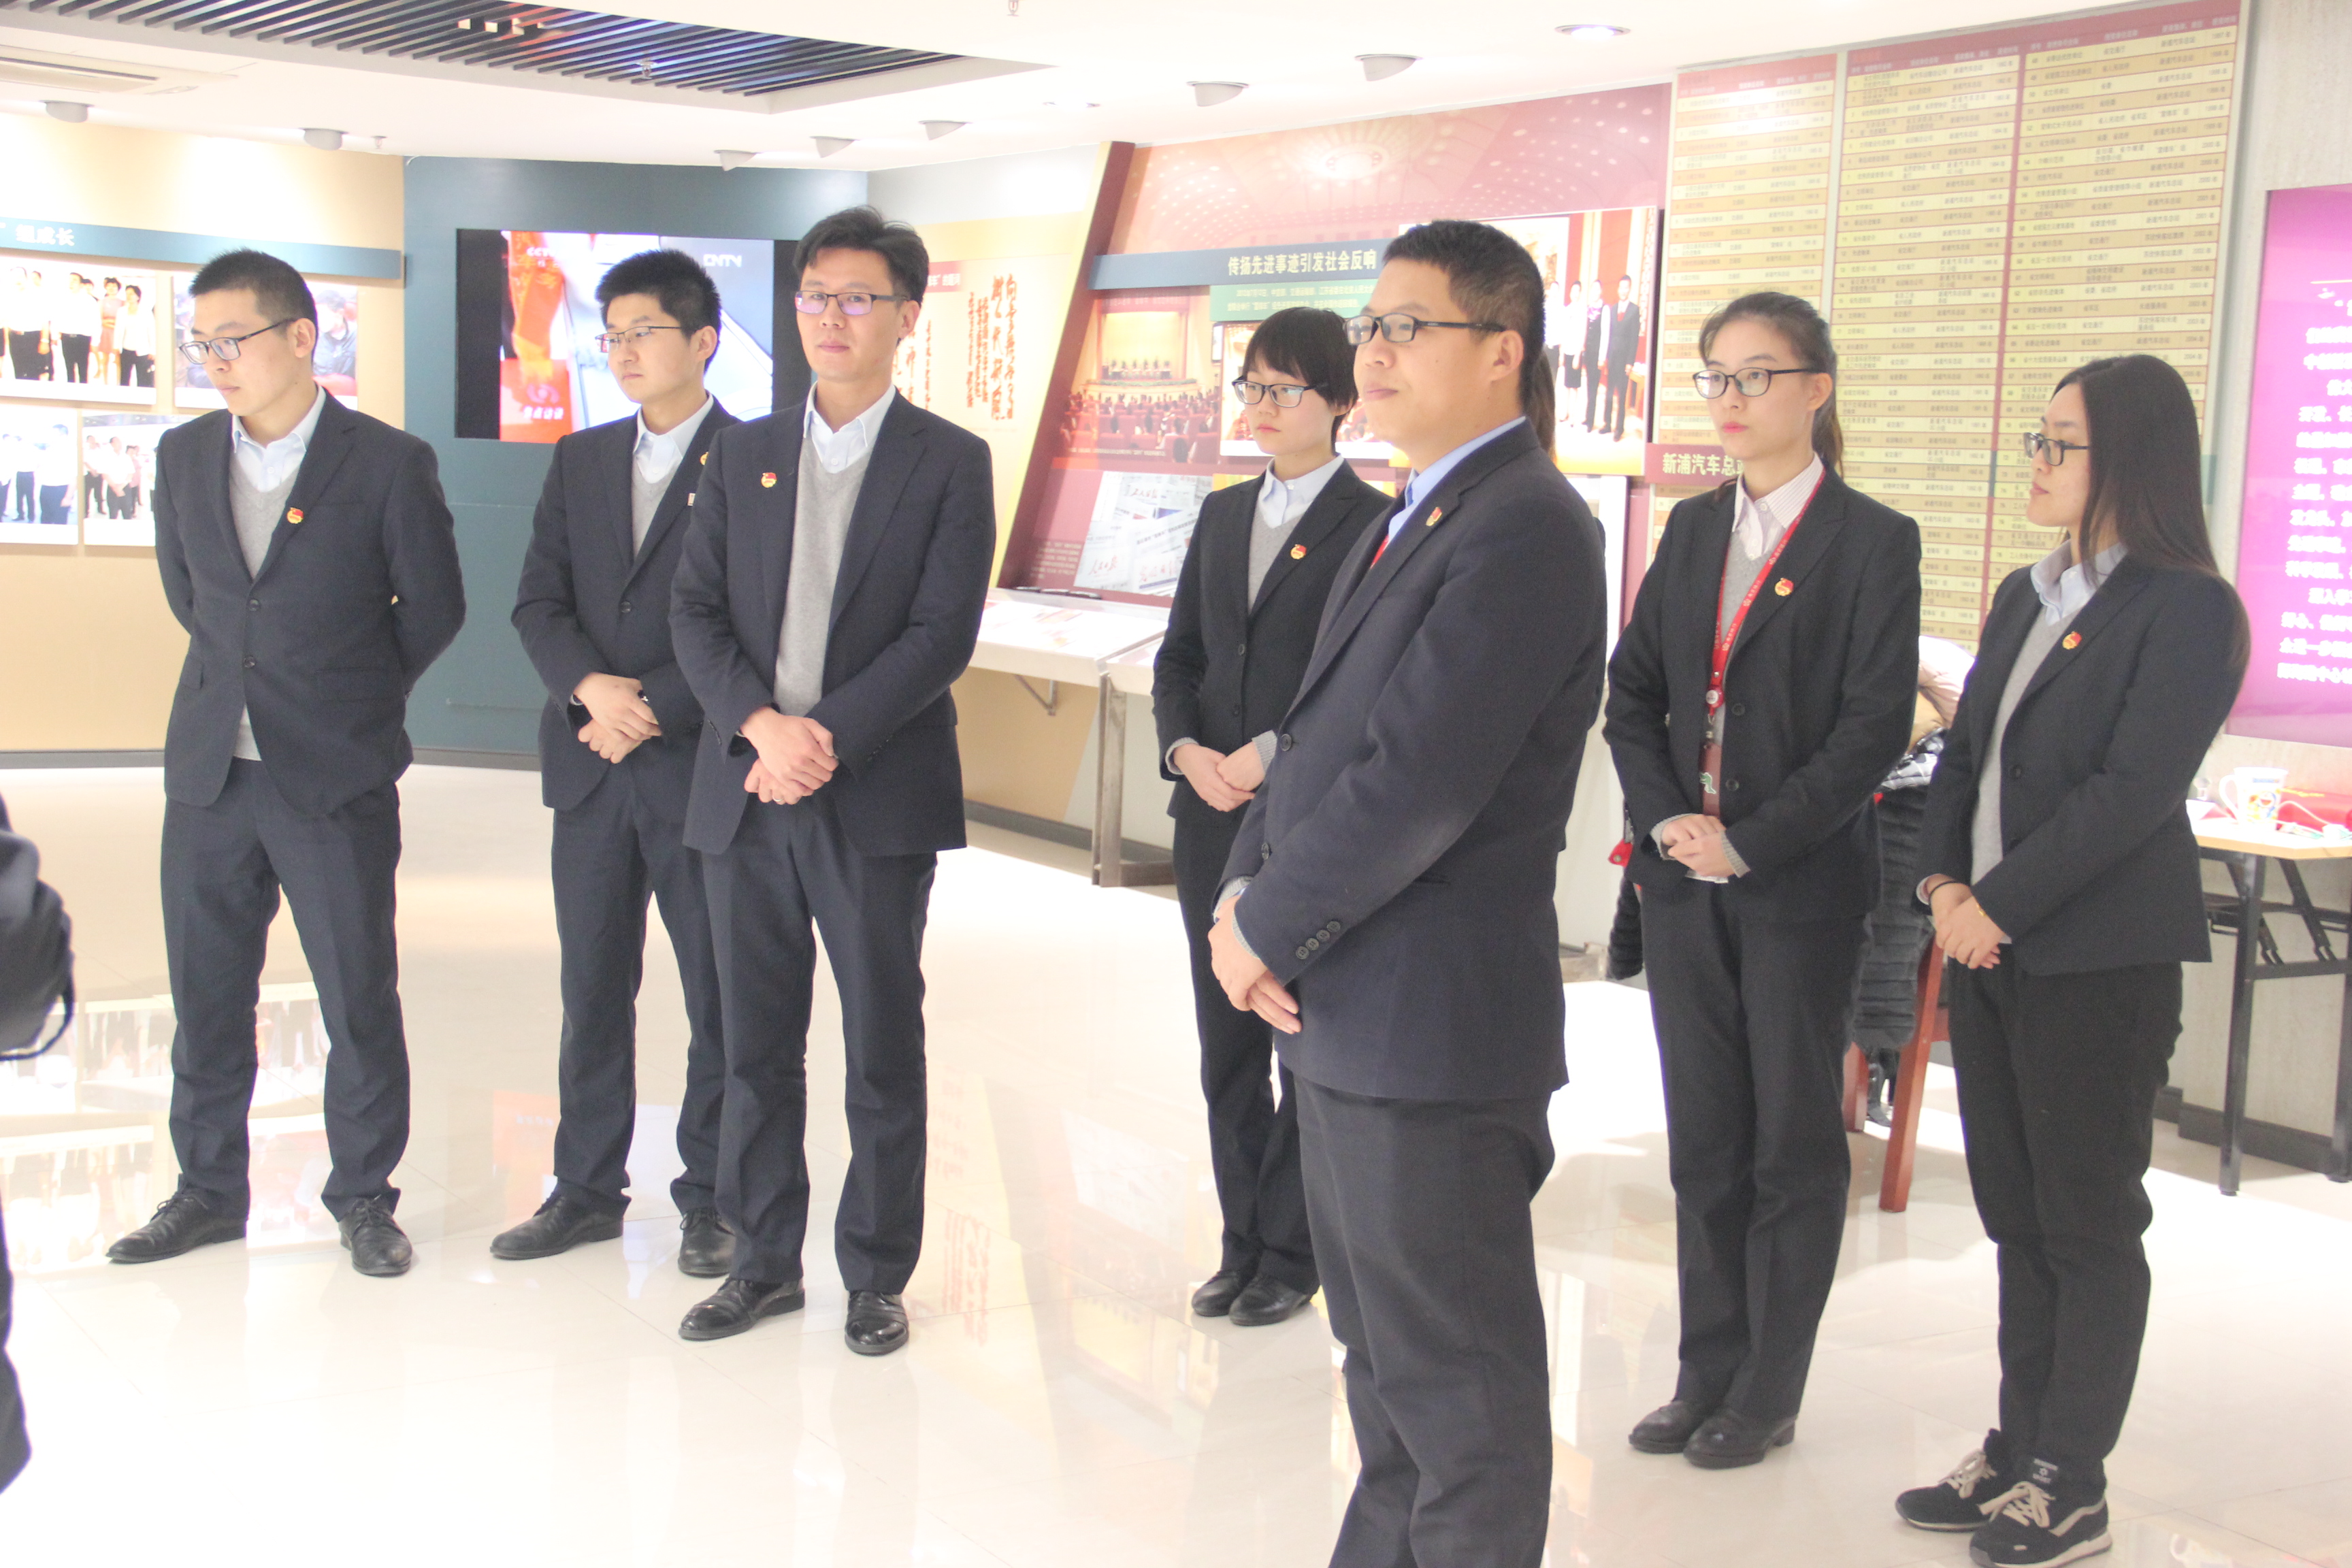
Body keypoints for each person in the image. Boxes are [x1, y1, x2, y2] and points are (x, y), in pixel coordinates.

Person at [1207, 219, 1607, 1568]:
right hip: (1347, 1017)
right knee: (1384, 1380)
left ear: (1501, 352)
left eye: (1406, 327)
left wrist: (1262, 925)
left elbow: (1418, 783)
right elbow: (1316, 740)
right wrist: (1242, 892)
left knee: (1461, 1406)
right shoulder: (1417, 513)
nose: (1371, 353)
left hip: (1431, 1037)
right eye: (1367, 326)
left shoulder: (1527, 526)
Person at [1897, 355, 2247, 1568]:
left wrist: (1993, 904)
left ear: (2130, 460)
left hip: (2096, 959)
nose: (2037, 463)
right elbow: (1964, 756)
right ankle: (2018, 1445)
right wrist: (1942, 886)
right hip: (1987, 942)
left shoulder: (2189, 607)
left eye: (2061, 443)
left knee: (2086, 1219)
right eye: (2036, 440)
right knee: (2017, 1214)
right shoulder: (2026, 591)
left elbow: (2131, 793)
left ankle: (2071, 1480)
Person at [1606, 291, 1921, 1468]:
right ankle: (1704, 1371)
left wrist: (1748, 839)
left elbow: (1870, 729)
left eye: (1756, 375)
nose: (1730, 399)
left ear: (1815, 389)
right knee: (1704, 1139)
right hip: (1683, 882)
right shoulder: (1692, 530)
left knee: (1790, 1143)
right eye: (1715, 377)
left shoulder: (1872, 540)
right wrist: (1666, 821)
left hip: (1794, 888)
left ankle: (1768, 1388)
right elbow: (1633, 693)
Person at [670, 206, 993, 1353]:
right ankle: (762, 1263)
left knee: (880, 1049)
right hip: (747, 793)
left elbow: (940, 634)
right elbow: (695, 613)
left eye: (858, 298)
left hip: (874, 798)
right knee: (752, 1046)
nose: (830, 317)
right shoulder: (742, 451)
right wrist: (764, 728)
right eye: (814, 296)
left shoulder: (949, 462)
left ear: (907, 316)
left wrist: (824, 740)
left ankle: (875, 1273)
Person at [106, 248, 466, 1277]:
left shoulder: (387, 462)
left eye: (234, 340)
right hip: (211, 771)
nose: (216, 362)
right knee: (206, 993)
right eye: (202, 345)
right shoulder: (184, 456)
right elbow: (193, 596)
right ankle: (207, 1191)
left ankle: (364, 1199)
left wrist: (348, 700)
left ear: (302, 338)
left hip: (333, 774)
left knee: (356, 995)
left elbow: (433, 608)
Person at [505, 249, 739, 1276]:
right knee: (593, 988)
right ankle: (586, 1189)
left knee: (716, 995)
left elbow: (755, 623)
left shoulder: (753, 460)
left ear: (704, 341)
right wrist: (588, 690)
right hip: (591, 768)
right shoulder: (581, 458)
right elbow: (538, 601)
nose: (625, 351)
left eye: (646, 331)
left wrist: (651, 708)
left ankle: (714, 1197)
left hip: (697, 769)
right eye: (613, 335)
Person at [1154, 307, 1388, 1330]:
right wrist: (1186, 751)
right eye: (1250, 387)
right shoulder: (1221, 515)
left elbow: (1363, 682)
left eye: (1283, 390)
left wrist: (1267, 754)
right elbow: (1180, 657)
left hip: (1308, 818)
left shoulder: (1373, 524)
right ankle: (1240, 1240)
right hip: (1209, 812)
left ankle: (1293, 1253)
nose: (1260, 406)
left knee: (1298, 1031)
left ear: (1339, 403)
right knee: (1226, 1044)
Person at [1605, 273, 1643, 440]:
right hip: (1612, 358)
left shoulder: (1634, 310)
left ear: (1629, 289)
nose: (1623, 290)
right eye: (1621, 287)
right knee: (1609, 393)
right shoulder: (1613, 309)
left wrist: (1630, 363)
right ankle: (1607, 424)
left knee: (1621, 396)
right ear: (1618, 289)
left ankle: (1619, 429)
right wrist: (1606, 357)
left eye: (1626, 287)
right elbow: (1609, 334)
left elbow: (1634, 339)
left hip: (1624, 361)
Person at [55, 274, 95, 384]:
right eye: (70, 280)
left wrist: (95, 342)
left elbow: (95, 322)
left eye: (74, 280)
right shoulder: (63, 299)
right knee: (69, 369)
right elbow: (57, 318)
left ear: (81, 284)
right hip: (67, 338)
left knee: (83, 369)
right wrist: (55, 334)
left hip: (83, 339)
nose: (71, 283)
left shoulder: (89, 300)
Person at [117, 282, 157, 389]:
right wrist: (116, 347)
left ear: (138, 296)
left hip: (142, 350)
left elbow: (151, 332)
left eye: (132, 294)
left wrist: (153, 351)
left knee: (143, 379)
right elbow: (118, 331)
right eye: (127, 294)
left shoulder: (146, 312)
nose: (129, 296)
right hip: (126, 349)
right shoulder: (121, 311)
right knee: (124, 378)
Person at [1582, 280, 1607, 431]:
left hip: (1597, 355)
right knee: (1588, 386)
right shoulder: (1589, 308)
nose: (1595, 292)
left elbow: (1605, 335)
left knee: (1594, 388)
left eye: (1598, 289)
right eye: (1593, 289)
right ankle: (1587, 417)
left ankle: (1591, 421)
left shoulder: (1605, 310)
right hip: (1589, 354)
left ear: (1601, 291)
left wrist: (1602, 358)